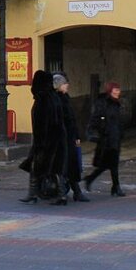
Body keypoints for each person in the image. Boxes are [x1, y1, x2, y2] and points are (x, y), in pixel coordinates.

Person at [19, 70, 67, 206]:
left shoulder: (42, 99)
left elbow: (41, 123)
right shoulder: (54, 97)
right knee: (56, 168)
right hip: (57, 139)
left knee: (36, 167)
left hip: (45, 141)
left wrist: (40, 144)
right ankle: (61, 195)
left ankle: (33, 194)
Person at [84, 81, 126, 197]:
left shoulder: (117, 104)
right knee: (111, 164)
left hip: (115, 138)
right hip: (106, 139)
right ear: (110, 91)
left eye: (118, 90)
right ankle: (115, 187)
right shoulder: (103, 104)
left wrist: (121, 134)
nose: (118, 92)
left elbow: (118, 122)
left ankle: (91, 179)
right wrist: (92, 132)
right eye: (116, 90)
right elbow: (95, 119)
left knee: (109, 165)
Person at [53, 74, 89, 203]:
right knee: (63, 166)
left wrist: (77, 136)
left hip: (69, 137)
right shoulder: (54, 100)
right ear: (58, 86)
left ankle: (76, 193)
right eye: (64, 83)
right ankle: (62, 194)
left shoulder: (65, 98)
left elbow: (72, 120)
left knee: (72, 165)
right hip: (60, 138)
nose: (67, 85)